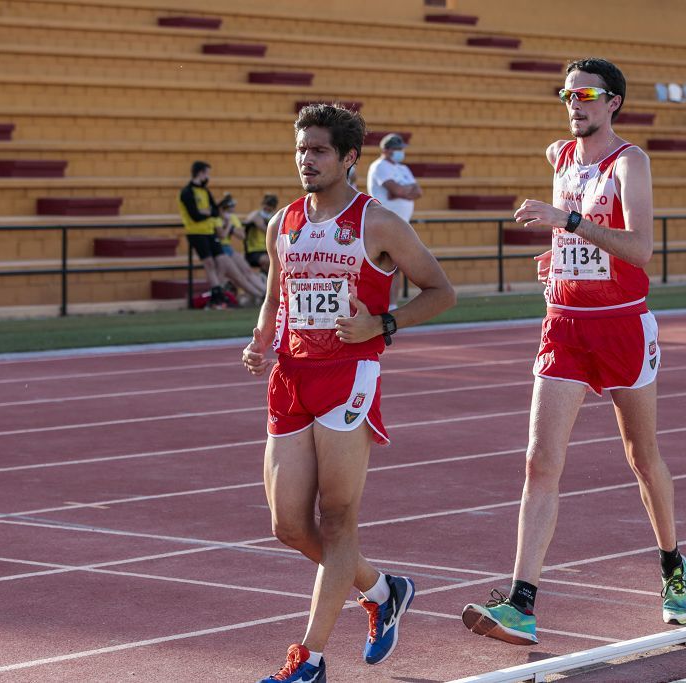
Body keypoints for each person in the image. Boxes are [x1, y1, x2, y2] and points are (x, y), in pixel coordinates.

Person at [461, 58, 686, 646]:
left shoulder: (630, 162)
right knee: (540, 462)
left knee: (642, 457)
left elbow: (639, 249)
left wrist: (565, 220)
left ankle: (672, 564)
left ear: (613, 101)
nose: (574, 103)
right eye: (566, 95)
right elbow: (578, 237)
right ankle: (521, 602)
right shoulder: (560, 157)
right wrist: (558, 254)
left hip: (620, 326)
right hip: (564, 324)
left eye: (586, 94)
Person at [242, 103, 455, 682]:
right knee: (287, 526)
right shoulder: (281, 223)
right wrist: (260, 340)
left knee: (337, 522)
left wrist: (384, 325)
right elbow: (275, 294)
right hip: (290, 375)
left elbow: (441, 291)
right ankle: (385, 590)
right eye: (300, 149)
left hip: (348, 377)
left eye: (318, 151)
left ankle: (308, 660)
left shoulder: (377, 222)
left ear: (348, 158)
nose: (305, 160)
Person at [366, 134, 422, 309]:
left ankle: (392, 305)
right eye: (396, 149)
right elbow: (395, 190)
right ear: (386, 149)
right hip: (383, 224)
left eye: (400, 149)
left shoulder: (403, 169)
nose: (399, 152)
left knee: (396, 265)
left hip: (401, 224)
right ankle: (377, 305)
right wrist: (404, 191)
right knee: (380, 265)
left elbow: (418, 192)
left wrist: (402, 191)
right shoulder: (380, 166)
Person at [178, 160, 228, 308]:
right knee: (209, 263)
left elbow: (214, 210)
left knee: (222, 261)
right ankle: (217, 296)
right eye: (207, 173)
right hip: (196, 232)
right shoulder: (187, 192)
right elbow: (195, 215)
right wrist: (207, 213)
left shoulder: (205, 191)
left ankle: (216, 292)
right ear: (200, 173)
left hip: (209, 231)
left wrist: (206, 212)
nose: (208, 177)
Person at [216, 193, 267, 303]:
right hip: (218, 249)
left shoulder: (231, 217)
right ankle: (260, 295)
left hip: (227, 247)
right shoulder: (216, 218)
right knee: (238, 277)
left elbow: (242, 235)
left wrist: (230, 225)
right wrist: (229, 224)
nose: (232, 210)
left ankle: (266, 293)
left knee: (247, 271)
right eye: (230, 207)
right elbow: (222, 235)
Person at [244, 193, 278, 274]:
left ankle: (265, 278)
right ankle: (266, 280)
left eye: (270, 207)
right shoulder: (255, 215)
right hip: (254, 251)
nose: (267, 208)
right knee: (269, 261)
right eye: (266, 205)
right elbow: (267, 231)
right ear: (262, 204)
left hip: (268, 250)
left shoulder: (274, 217)